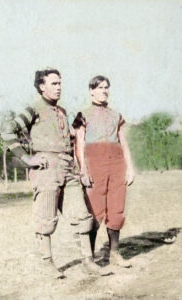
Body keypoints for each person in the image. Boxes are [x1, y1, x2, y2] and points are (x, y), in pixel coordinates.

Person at [1, 69, 108, 278]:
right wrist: (27, 159)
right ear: (42, 87)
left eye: (60, 83)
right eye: (54, 84)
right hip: (46, 168)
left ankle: (88, 260)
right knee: (46, 217)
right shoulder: (33, 109)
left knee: (82, 215)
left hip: (68, 168)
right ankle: (46, 263)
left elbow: (68, 139)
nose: (58, 87)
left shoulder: (62, 111)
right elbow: (7, 131)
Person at [73, 75, 135, 268]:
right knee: (94, 211)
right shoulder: (83, 114)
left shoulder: (116, 115)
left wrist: (130, 167)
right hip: (94, 164)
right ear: (91, 91)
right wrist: (83, 169)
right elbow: (79, 143)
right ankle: (89, 258)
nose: (103, 91)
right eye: (99, 87)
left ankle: (115, 253)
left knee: (117, 209)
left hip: (117, 164)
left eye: (106, 87)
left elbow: (123, 142)